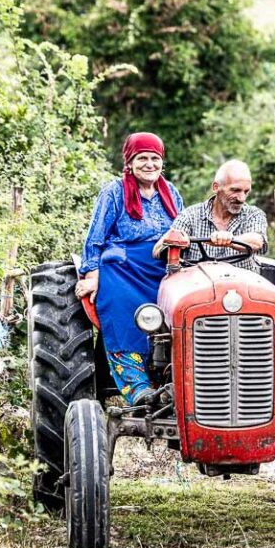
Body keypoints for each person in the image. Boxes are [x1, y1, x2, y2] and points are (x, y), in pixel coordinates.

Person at [75, 132, 184, 406]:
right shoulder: (113, 192)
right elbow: (96, 237)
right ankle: (137, 386)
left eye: (155, 158)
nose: (149, 164)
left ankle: (180, 378)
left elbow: (184, 230)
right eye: (142, 158)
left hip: (164, 265)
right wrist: (92, 275)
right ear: (130, 162)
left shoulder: (170, 193)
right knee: (121, 305)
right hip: (124, 268)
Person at [158, 159, 268, 272]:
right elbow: (157, 250)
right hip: (199, 285)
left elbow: (257, 241)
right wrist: (179, 240)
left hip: (243, 286)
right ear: (216, 187)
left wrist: (231, 240)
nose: (242, 198)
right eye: (235, 190)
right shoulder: (191, 215)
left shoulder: (253, 214)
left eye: (246, 192)